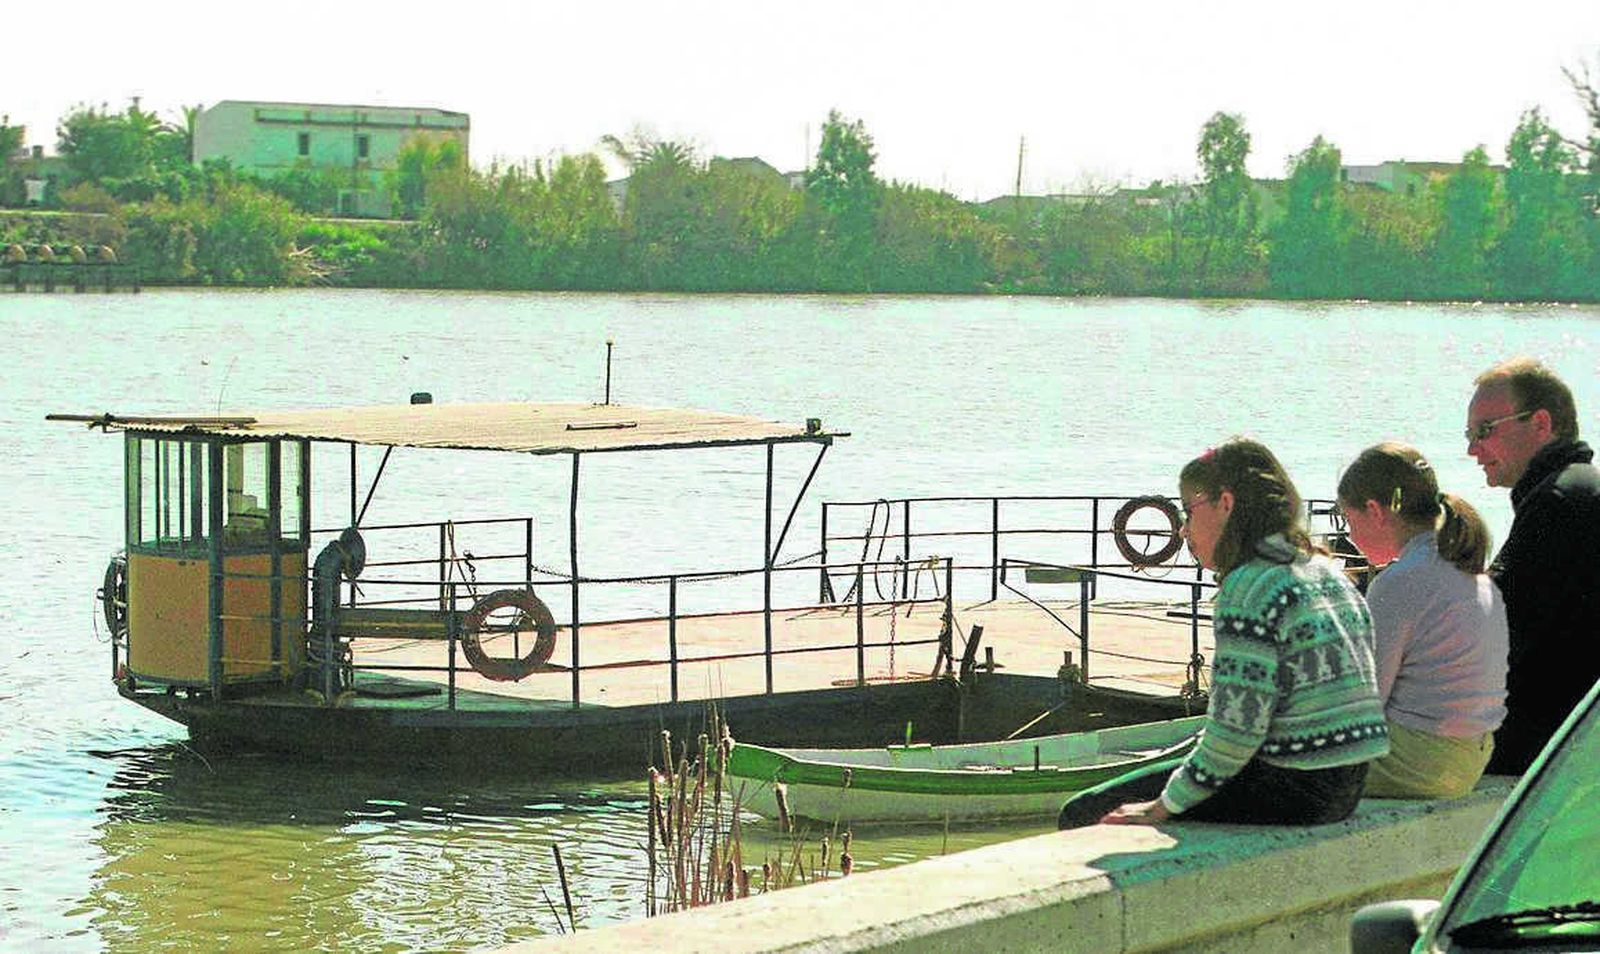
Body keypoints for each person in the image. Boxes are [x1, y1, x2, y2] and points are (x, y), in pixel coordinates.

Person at [1057, 438, 1389, 828]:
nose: (1183, 530)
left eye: (1189, 511)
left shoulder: (1250, 586)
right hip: (1346, 785)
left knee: (1084, 811)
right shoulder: (1326, 572)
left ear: (1226, 504)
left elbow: (1235, 734)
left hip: (1293, 786)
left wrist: (1162, 806)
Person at [1336, 442, 1507, 798]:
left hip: (1415, 763)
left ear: (1374, 510)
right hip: (1470, 759)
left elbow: (1366, 703)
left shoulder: (1400, 581)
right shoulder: (1474, 575)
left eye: (1349, 519)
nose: (1349, 536)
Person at [1467, 358, 1600, 774]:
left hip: (1552, 754)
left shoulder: (1558, 503)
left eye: (1485, 431)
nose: (1473, 449)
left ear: (1541, 424)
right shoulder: (1579, 487)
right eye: (1470, 435)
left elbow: (1496, 630)